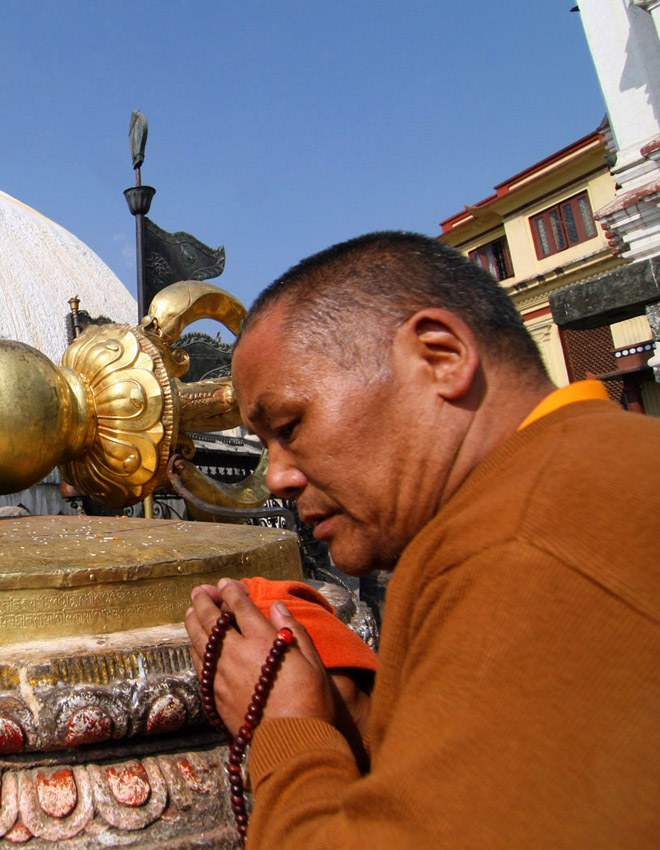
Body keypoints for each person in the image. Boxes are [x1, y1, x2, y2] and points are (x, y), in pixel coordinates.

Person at [184, 231, 660, 848]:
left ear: (440, 356)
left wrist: (287, 727)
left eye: (290, 425)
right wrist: (359, 719)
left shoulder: (522, 544)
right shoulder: (583, 476)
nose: (277, 478)